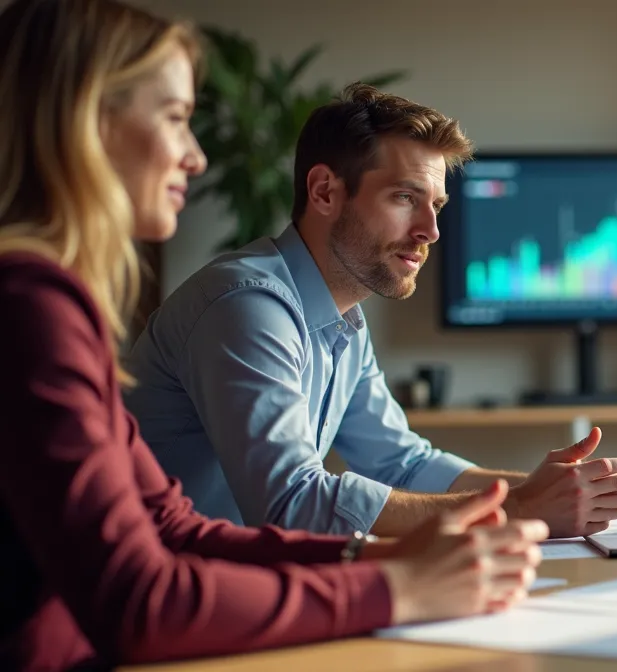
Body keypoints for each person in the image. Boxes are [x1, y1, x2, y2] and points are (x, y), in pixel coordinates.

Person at [0, 1, 547, 669]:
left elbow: (172, 526)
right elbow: (141, 599)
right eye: (175, 118)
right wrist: (395, 584)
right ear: (85, 124)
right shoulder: (32, 303)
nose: (196, 156)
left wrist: (379, 558)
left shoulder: (52, 299)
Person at [122, 83, 617, 538]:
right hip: (163, 603)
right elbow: (291, 504)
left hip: (240, 584)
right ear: (325, 191)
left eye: (434, 205)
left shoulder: (341, 316)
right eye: (403, 197)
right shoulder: (246, 306)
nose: (430, 231)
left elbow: (402, 463)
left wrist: (545, 490)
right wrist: (522, 508)